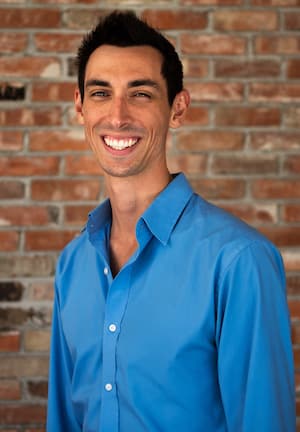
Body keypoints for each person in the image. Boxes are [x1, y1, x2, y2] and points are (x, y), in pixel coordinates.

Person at [46, 10, 295, 432]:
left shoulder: (238, 262)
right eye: (101, 93)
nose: (118, 116)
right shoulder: (72, 265)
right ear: (80, 107)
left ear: (177, 108)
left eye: (140, 94)